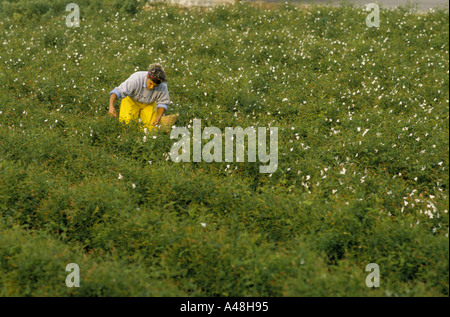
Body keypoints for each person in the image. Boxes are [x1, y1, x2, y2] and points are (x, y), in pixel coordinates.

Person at [108, 63, 170, 132]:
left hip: (149, 104)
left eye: (155, 86)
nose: (152, 87)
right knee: (127, 125)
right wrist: (111, 106)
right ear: (147, 76)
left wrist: (159, 116)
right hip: (131, 100)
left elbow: (163, 102)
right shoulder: (136, 79)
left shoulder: (162, 85)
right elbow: (117, 91)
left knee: (151, 129)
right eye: (150, 83)